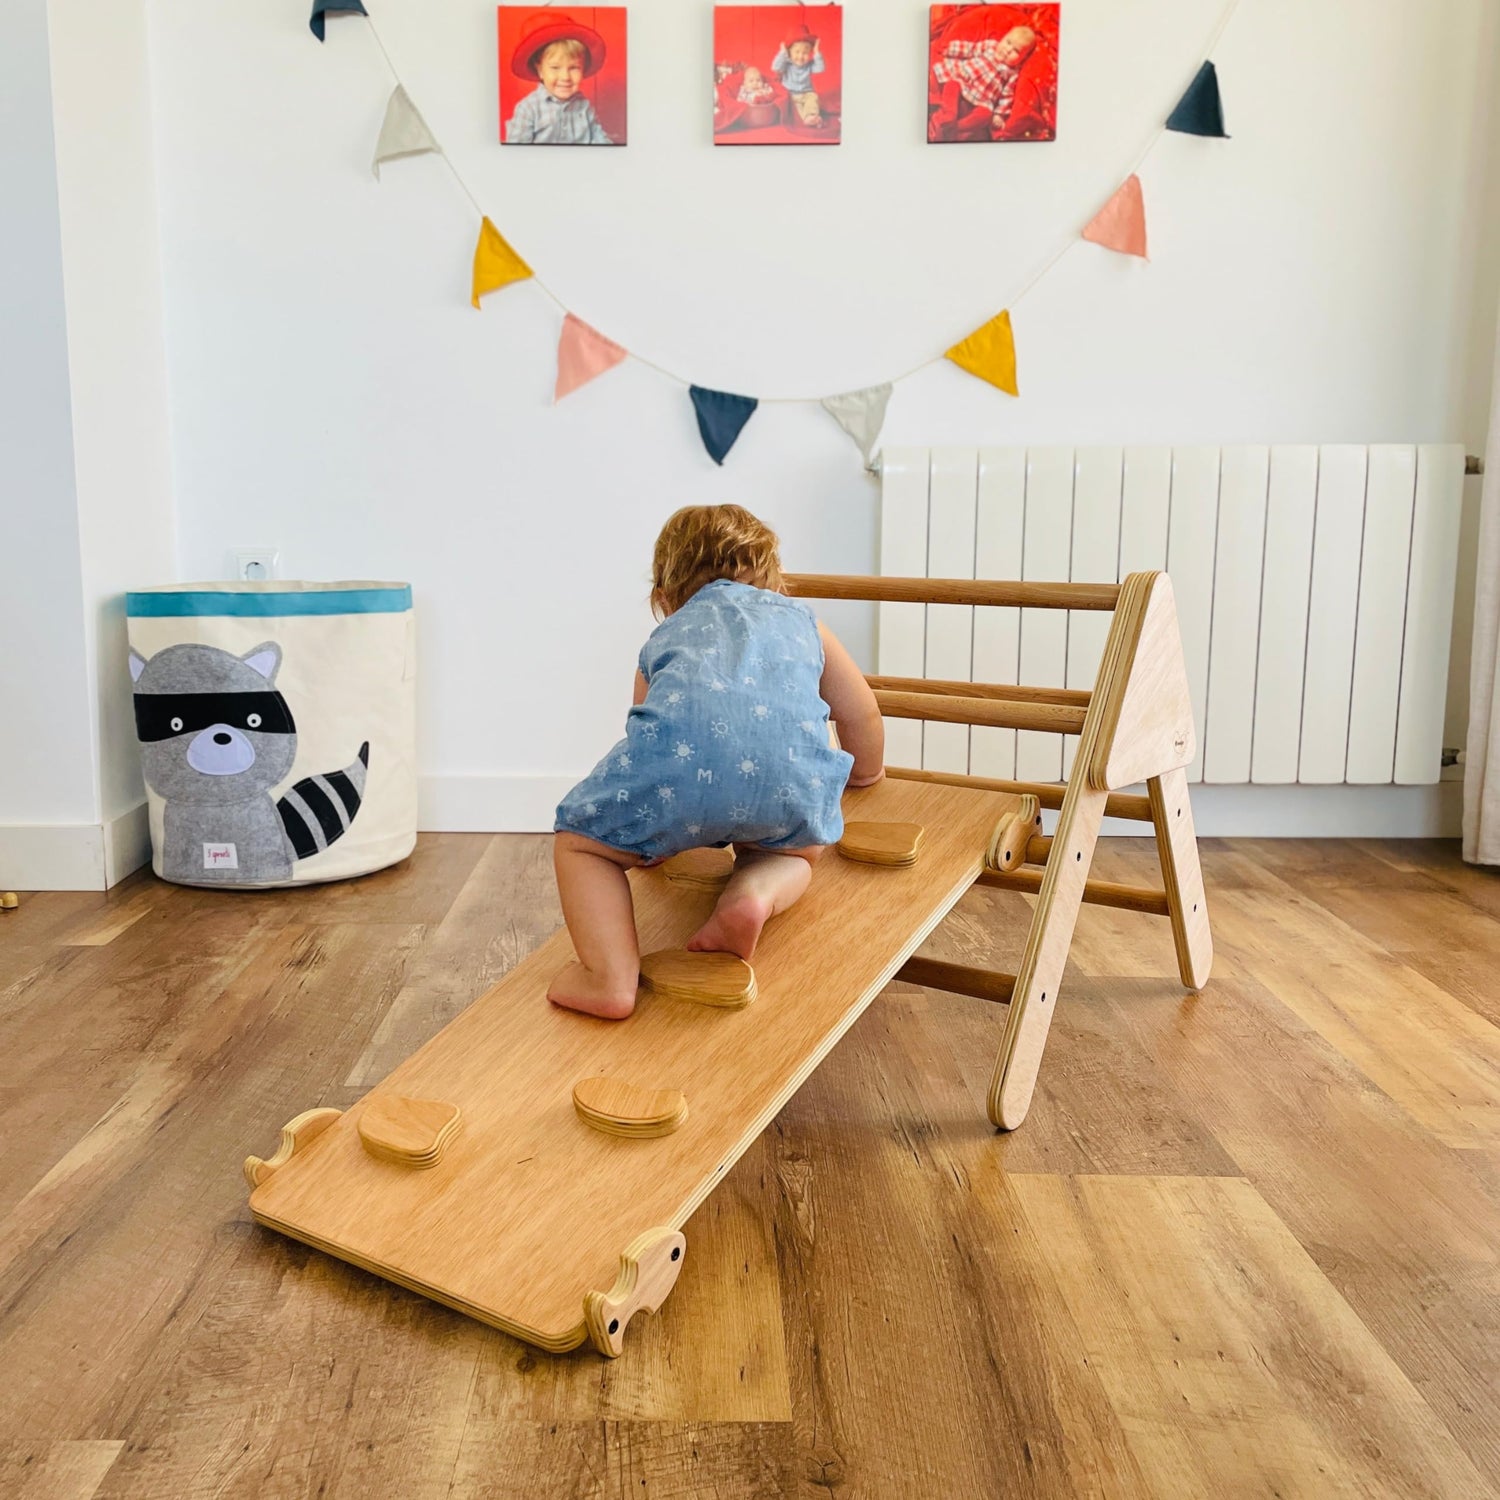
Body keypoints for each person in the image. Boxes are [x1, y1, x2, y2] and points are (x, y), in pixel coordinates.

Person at [549, 505, 885, 1019]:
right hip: (786, 785)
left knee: (579, 843)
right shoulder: (805, 623)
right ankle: (751, 897)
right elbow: (860, 711)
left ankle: (609, 978)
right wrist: (865, 773)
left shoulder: (666, 633)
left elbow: (647, 729)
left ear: (664, 597)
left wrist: (652, 834)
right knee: (795, 852)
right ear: (775, 583)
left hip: (679, 782)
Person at [506, 13, 615, 145]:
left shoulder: (585, 106)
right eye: (555, 67)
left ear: (583, 69)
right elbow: (516, 151)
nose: (565, 77)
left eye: (574, 67)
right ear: (540, 70)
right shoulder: (528, 109)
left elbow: (600, 139)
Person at [928, 25, 1036, 142]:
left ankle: (957, 127)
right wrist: (950, 48)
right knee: (952, 85)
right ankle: (949, 114)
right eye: (1008, 42)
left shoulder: (1012, 73)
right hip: (963, 81)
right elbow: (971, 49)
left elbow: (1007, 96)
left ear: (1023, 59)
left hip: (982, 100)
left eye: (1016, 50)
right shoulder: (990, 46)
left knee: (986, 115)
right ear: (1003, 38)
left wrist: (999, 114)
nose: (1008, 50)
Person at [771, 24, 826, 127]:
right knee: (794, 107)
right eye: (797, 52)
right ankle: (805, 119)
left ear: (810, 53)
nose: (801, 56)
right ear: (789, 52)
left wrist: (817, 52)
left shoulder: (809, 65)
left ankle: (811, 115)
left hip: (806, 93)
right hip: (790, 95)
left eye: (805, 53)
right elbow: (775, 67)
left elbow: (820, 68)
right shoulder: (787, 64)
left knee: (813, 98)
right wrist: (782, 53)